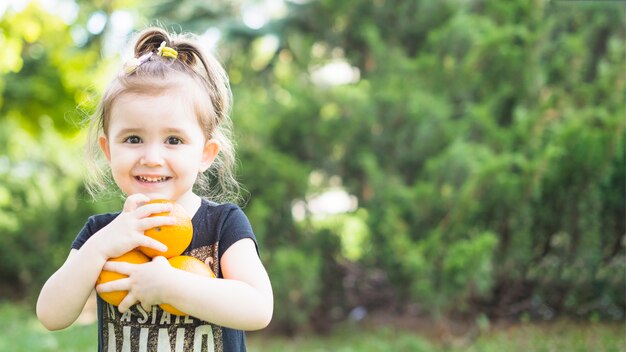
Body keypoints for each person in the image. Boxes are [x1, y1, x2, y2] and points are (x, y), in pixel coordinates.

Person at [36, 27, 273, 351]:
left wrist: (172, 287)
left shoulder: (223, 224)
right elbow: (51, 315)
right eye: (133, 139)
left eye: (173, 140)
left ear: (205, 154)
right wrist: (99, 248)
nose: (151, 158)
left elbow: (258, 308)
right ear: (108, 150)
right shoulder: (103, 232)